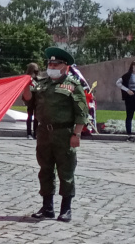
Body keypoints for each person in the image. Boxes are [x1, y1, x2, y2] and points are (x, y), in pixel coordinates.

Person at [20, 47, 89, 222]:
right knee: (45, 170)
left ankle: (66, 209)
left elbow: (82, 112)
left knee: (66, 172)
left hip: (64, 133)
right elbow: (28, 98)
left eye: (55, 64)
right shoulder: (42, 84)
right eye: (49, 63)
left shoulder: (73, 85)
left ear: (65, 66)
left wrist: (77, 134)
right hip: (44, 132)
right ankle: (47, 207)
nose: (51, 66)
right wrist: (26, 83)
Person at [24, 61, 41, 139]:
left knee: (36, 117)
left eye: (37, 70)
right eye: (34, 70)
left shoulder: (38, 79)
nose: (36, 72)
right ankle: (29, 133)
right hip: (30, 99)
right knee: (29, 116)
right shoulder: (27, 78)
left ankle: (35, 133)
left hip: (37, 98)